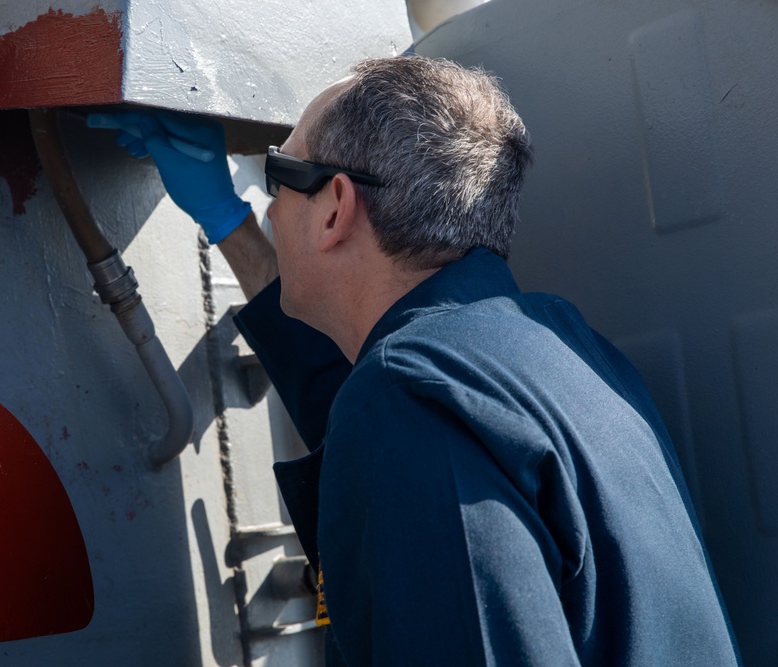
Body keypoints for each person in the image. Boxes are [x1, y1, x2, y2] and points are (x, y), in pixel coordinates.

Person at [89, 56, 741, 665]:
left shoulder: (409, 406)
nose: (271, 202)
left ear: (336, 208)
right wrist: (227, 219)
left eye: (277, 175)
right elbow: (356, 387)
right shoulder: (562, 350)